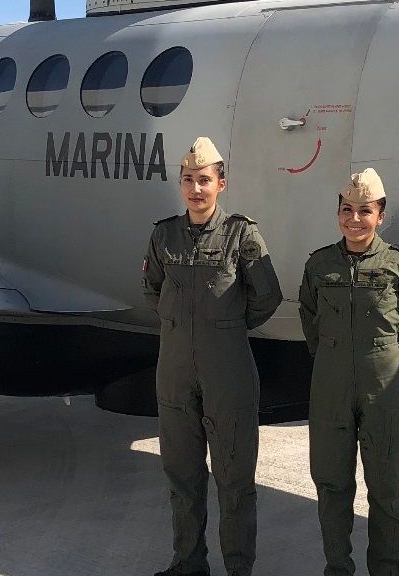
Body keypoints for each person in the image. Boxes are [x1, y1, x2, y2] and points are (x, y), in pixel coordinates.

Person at [142, 137, 282, 576]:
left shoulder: (242, 235)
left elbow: (267, 297)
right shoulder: (163, 234)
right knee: (182, 477)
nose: (196, 189)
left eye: (204, 180)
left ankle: (239, 568)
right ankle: (188, 564)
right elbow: (153, 290)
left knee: (234, 480)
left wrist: (225, 327)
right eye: (188, 180)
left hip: (229, 374)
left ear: (221, 183)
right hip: (175, 373)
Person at [298, 168, 399, 576]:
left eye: (365, 211)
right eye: (347, 210)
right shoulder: (320, 265)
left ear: (381, 216)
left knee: (388, 489)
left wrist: (389, 357)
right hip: (330, 385)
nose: (354, 219)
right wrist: (334, 357)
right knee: (331, 484)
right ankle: (337, 567)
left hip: (384, 386)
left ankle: (387, 570)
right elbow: (310, 319)